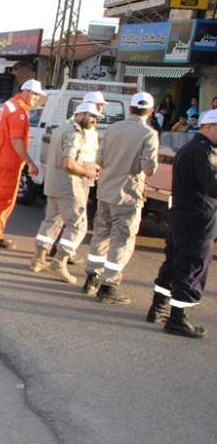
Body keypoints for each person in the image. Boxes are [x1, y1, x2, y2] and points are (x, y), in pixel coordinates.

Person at [146, 109, 217, 338]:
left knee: (174, 263)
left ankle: (157, 308)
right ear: (207, 126)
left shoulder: (192, 148)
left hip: (182, 215)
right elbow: (213, 186)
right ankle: (178, 318)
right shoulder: (204, 151)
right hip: (197, 219)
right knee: (192, 266)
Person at [82, 92, 159, 302]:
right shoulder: (149, 134)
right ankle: (109, 286)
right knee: (122, 240)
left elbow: (100, 159)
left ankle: (92, 277)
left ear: (131, 109)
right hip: (128, 194)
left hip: (106, 191)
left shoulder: (113, 128)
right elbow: (148, 168)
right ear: (151, 111)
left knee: (101, 234)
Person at [30, 101, 102, 283]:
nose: (95, 120)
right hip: (69, 185)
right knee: (78, 225)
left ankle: (38, 259)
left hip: (54, 183)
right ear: (81, 113)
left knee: (52, 221)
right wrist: (88, 172)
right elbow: (68, 163)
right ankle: (59, 263)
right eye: (92, 115)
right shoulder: (74, 133)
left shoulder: (63, 128)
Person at [0, 79, 46, 249]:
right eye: (34, 94)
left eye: (38, 95)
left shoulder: (9, 105)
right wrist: (30, 162)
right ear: (25, 92)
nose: (36, 98)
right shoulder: (19, 110)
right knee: (4, 199)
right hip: (8, 161)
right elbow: (16, 140)